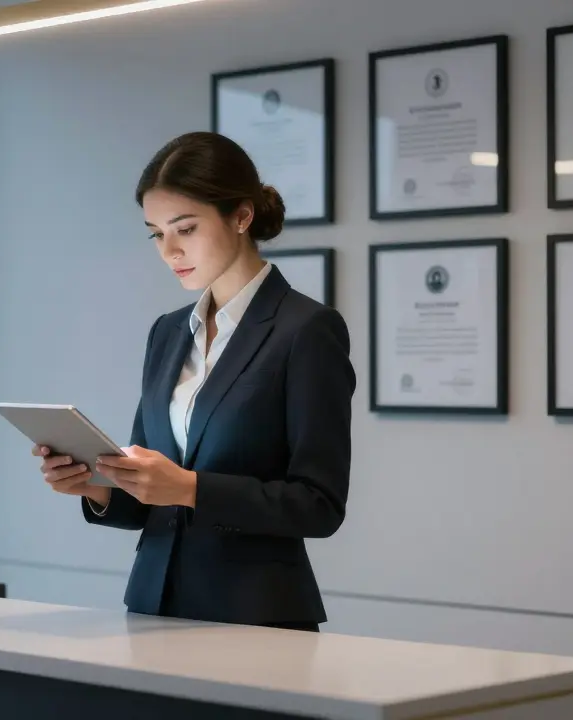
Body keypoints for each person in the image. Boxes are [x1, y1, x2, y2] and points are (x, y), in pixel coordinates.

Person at [33, 131, 355, 632]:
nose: (169, 251)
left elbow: (319, 506)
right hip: (153, 606)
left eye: (185, 228)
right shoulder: (167, 332)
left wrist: (191, 488)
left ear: (242, 217)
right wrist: (95, 488)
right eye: (156, 233)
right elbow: (150, 491)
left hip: (256, 617)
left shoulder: (306, 331)